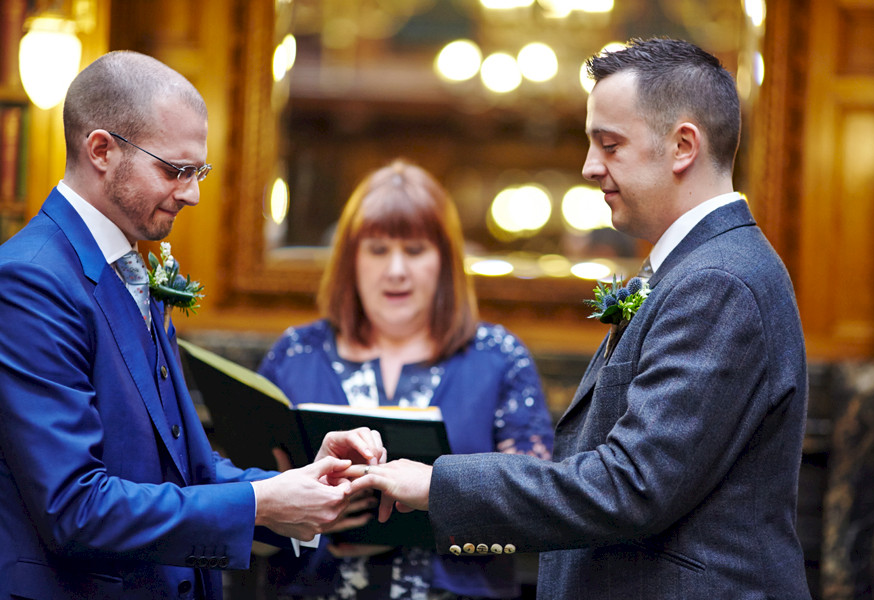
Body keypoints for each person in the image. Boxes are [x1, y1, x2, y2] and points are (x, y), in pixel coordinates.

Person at [350, 38, 811, 599]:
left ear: (683, 145)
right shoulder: (695, 267)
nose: (590, 168)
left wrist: (436, 482)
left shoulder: (719, 281)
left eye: (610, 145)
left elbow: (631, 484)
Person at [0, 51, 385, 600]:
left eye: (198, 171)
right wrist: (260, 505)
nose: (193, 193)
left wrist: (293, 486)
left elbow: (189, 469)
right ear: (101, 150)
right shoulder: (30, 281)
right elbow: (75, 509)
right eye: (174, 170)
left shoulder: (129, 265)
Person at [257, 159, 554, 599]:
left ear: (445, 262)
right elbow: (248, 501)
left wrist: (439, 499)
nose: (396, 270)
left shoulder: (498, 357)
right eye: (377, 250)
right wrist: (306, 518)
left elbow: (538, 500)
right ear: (351, 260)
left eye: (414, 251)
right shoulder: (295, 354)